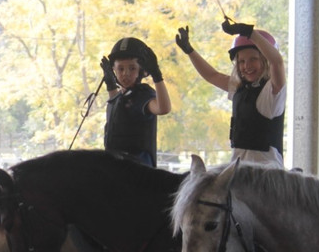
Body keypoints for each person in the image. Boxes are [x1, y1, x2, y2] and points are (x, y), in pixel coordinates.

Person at [176, 17, 285, 167]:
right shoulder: (239, 88)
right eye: (241, 61)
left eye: (253, 59)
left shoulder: (272, 91)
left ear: (265, 61)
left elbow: (277, 62)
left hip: (267, 174)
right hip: (238, 169)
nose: (246, 66)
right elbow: (212, 75)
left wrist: (249, 32)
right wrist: (189, 51)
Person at [99, 37, 171, 167]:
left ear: (142, 71)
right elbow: (118, 111)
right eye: (120, 69)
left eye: (132, 68)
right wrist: (111, 86)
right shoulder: (119, 97)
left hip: (138, 171)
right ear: (113, 70)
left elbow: (163, 108)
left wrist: (157, 77)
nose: (126, 73)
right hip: (116, 167)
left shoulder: (143, 96)